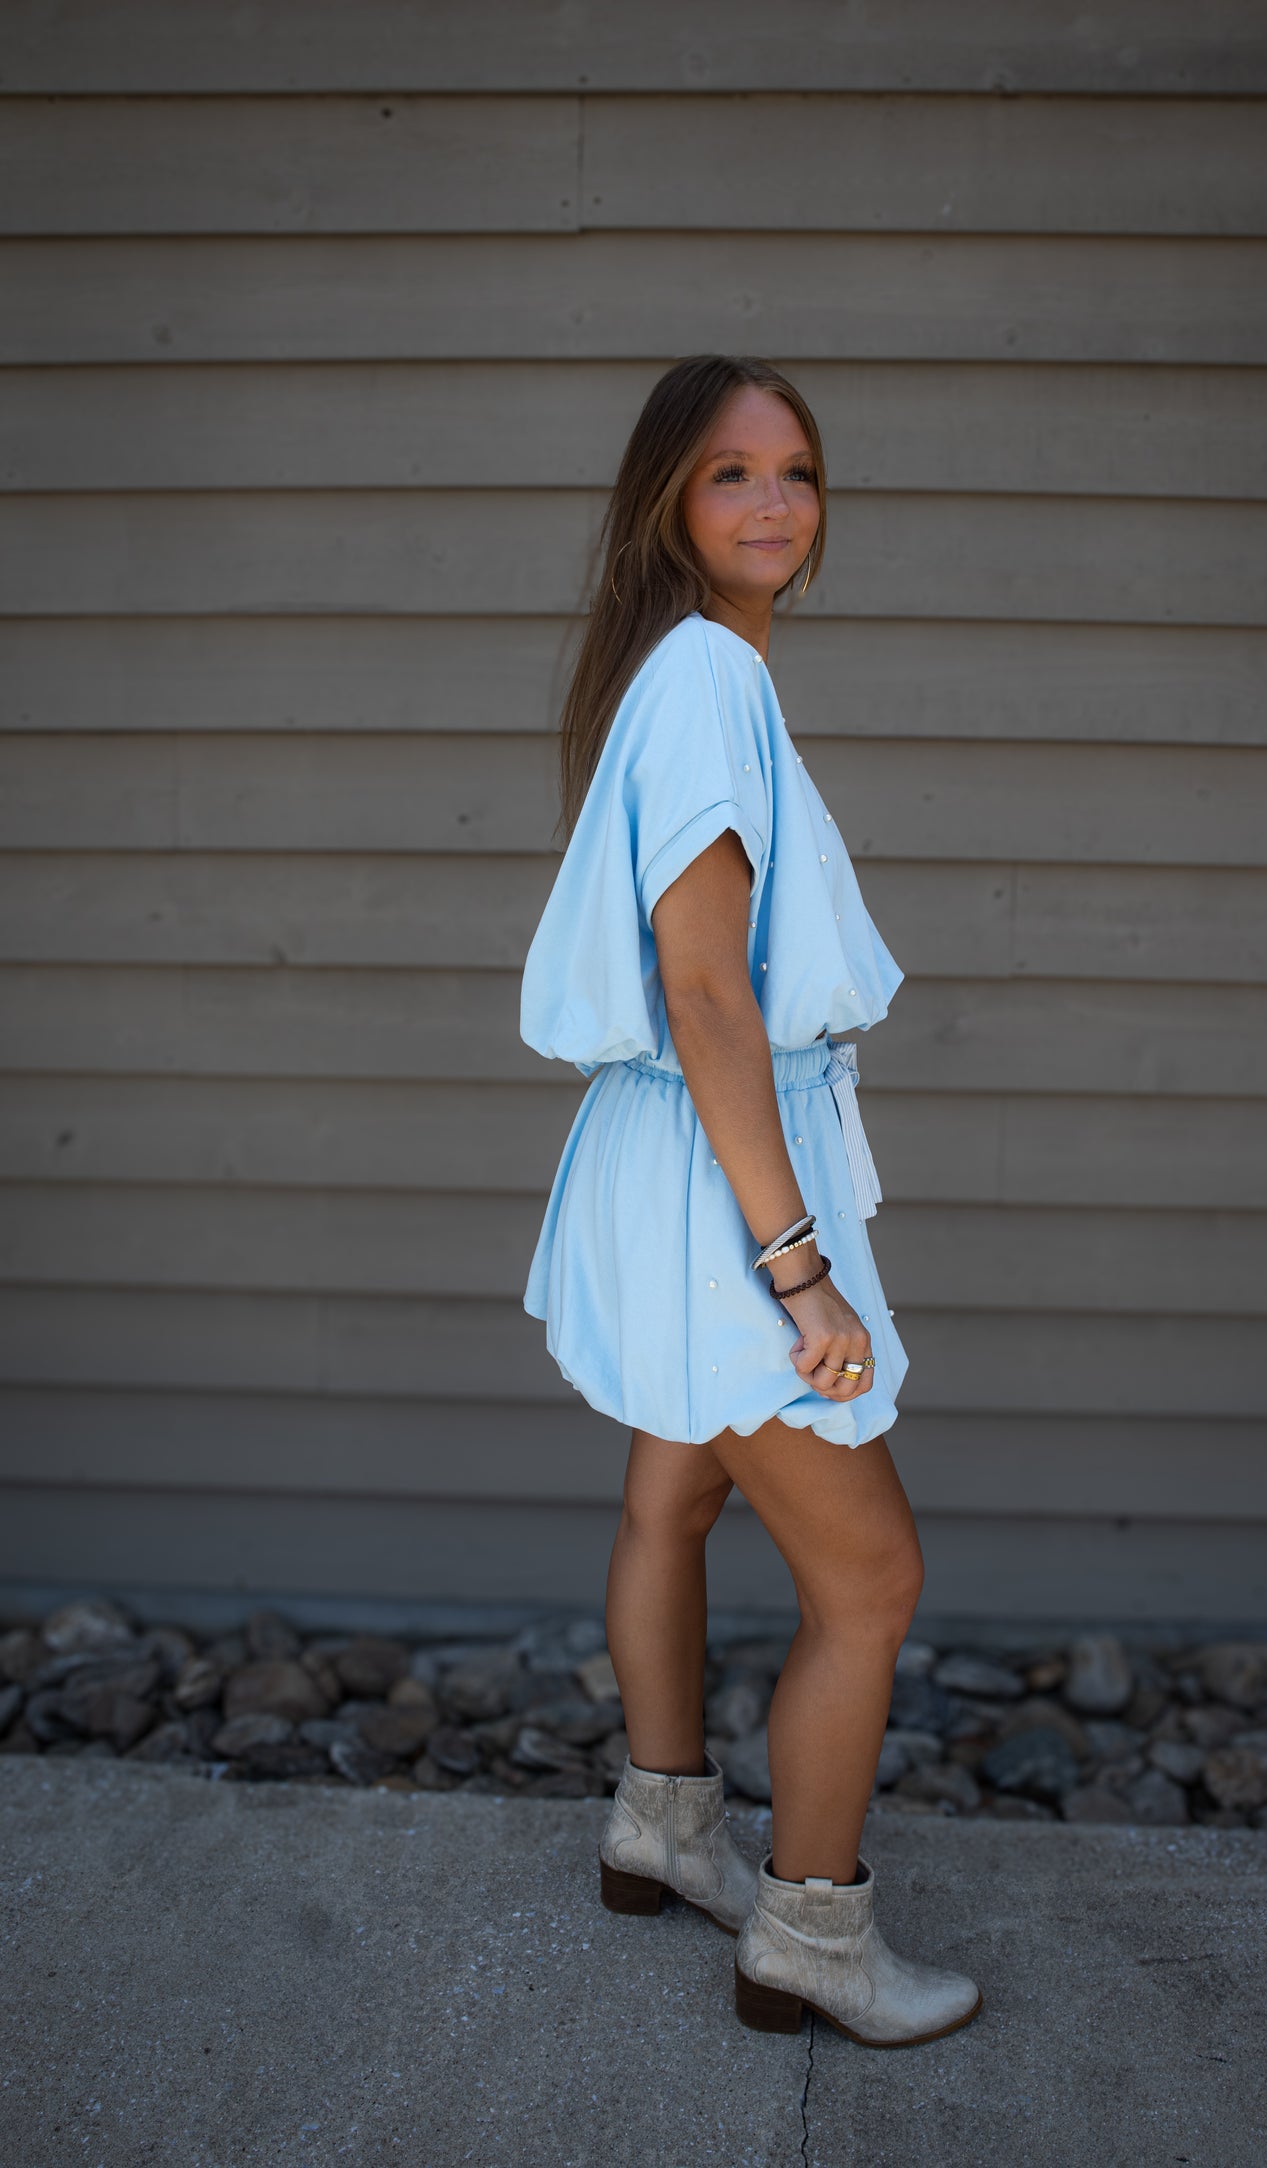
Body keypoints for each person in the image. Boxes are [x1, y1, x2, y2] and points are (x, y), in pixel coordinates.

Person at [518, 355, 983, 2047]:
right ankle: (812, 1935)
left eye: (796, 470)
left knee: (673, 1496)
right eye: (731, 472)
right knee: (869, 1581)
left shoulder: (674, 668)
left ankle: (660, 1825)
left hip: (664, 1163)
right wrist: (797, 1267)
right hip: (725, 1188)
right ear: (668, 499)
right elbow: (706, 988)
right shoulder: (708, 676)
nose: (775, 501)